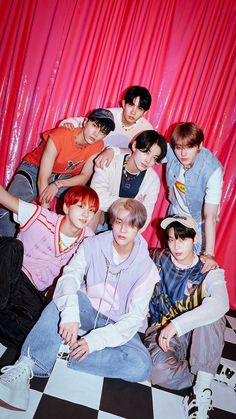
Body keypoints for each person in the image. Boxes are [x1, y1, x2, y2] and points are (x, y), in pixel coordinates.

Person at [0, 198, 159, 412]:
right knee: (62, 300)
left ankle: (67, 351)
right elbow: (70, 276)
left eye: (131, 224)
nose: (123, 229)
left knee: (142, 365)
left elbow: (134, 318)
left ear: (139, 228)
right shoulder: (92, 244)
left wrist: (94, 341)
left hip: (117, 321)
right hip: (87, 306)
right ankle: (28, 364)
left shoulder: (147, 269)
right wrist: (71, 313)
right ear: (111, 222)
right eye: (119, 221)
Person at [144, 215, 234, 419]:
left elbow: (221, 303)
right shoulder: (158, 257)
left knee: (213, 314)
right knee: (158, 373)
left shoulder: (210, 270)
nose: (176, 245)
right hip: (161, 330)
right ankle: (207, 368)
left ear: (195, 239)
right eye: (171, 238)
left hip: (195, 333)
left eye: (182, 239)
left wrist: (176, 325)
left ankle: (200, 391)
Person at [0, 183, 99, 348]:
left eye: (91, 210)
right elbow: (4, 197)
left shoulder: (88, 240)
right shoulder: (40, 216)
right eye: (81, 206)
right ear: (66, 207)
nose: (85, 214)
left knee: (38, 336)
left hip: (31, 292)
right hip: (12, 273)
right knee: (11, 247)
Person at [0, 108, 115, 237]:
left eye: (102, 132)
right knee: (8, 211)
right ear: (85, 122)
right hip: (34, 169)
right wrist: (46, 209)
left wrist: (57, 184)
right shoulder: (61, 135)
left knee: (83, 201)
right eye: (94, 126)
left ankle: (79, 241)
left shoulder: (98, 145)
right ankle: (6, 248)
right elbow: (43, 176)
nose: (96, 133)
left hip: (63, 176)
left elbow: (83, 177)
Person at [165, 122, 223, 273]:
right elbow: (146, 150)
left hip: (198, 221)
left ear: (199, 145)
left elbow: (210, 216)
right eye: (179, 148)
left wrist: (209, 253)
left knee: (196, 268)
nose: (183, 154)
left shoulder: (212, 169)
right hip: (176, 214)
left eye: (189, 147)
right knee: (173, 263)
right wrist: (114, 151)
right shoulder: (171, 152)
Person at [90, 130, 167, 232]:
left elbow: (144, 220)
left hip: (125, 228)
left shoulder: (152, 180)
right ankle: (85, 243)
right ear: (135, 146)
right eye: (146, 152)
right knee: (94, 208)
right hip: (100, 219)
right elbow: (96, 196)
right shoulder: (110, 160)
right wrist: (132, 206)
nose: (148, 160)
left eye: (154, 158)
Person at [60, 85, 153, 149]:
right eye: (131, 105)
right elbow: (86, 122)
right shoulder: (108, 115)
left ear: (144, 112)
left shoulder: (146, 129)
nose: (133, 112)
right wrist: (69, 123)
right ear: (124, 104)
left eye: (139, 108)